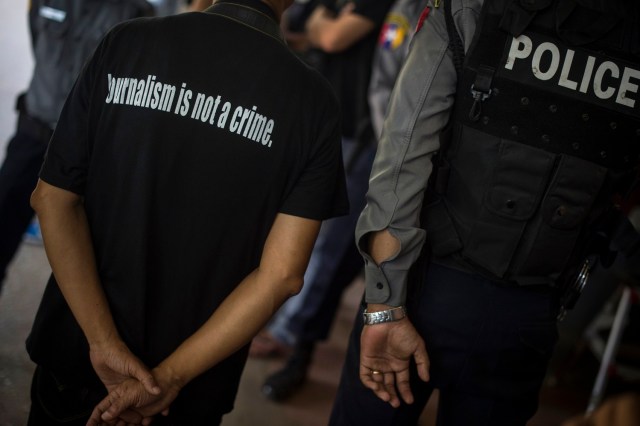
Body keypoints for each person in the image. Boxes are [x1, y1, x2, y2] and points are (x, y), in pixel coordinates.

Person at [25, 0, 349, 424]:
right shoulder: (314, 102)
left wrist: (103, 344)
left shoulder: (128, 42)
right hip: (186, 389)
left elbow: (53, 199)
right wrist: (170, 378)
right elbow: (282, 276)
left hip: (76, 350)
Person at [330, 0, 640, 425]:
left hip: (423, 290)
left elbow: (400, 165)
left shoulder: (468, 8)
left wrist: (385, 308)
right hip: (529, 320)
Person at [248, 0, 395, 402]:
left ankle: (290, 337)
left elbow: (328, 36)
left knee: (323, 243)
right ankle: (275, 321)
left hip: (355, 131)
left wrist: (318, 25)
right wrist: (317, 25)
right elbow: (293, 27)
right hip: (309, 117)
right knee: (282, 224)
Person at [0, 0, 155, 294]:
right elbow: (38, 40)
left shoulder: (135, 12)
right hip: (34, 133)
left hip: (89, 151)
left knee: (88, 254)